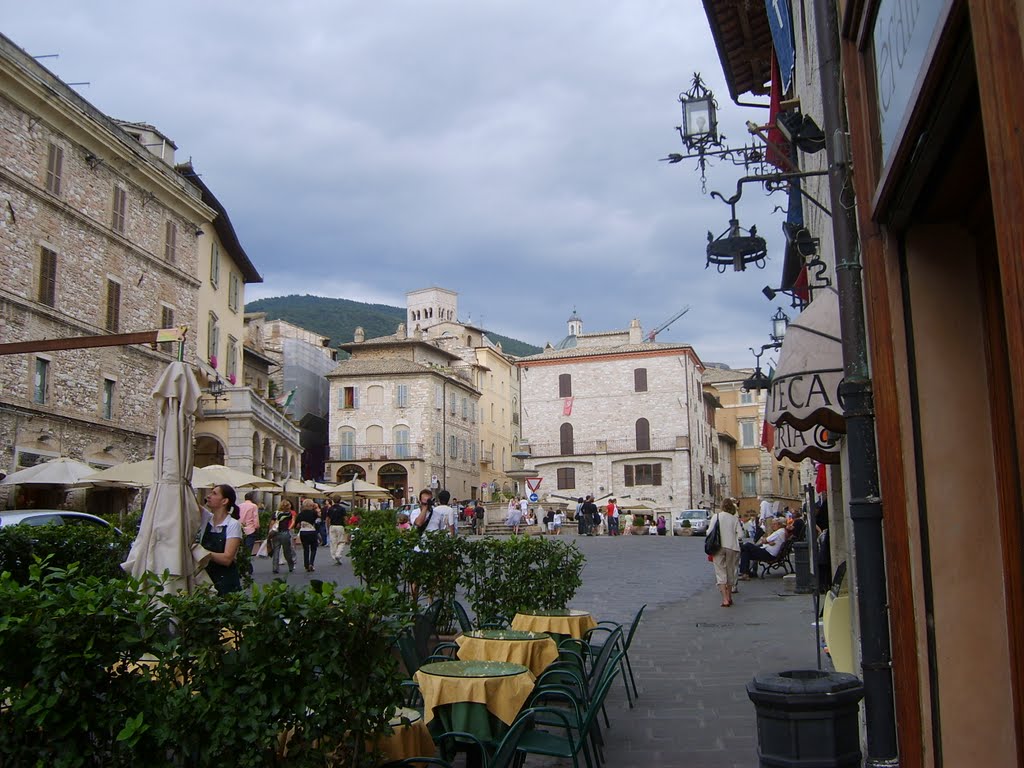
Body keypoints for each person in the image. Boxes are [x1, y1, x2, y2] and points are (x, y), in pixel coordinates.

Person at [200, 484, 243, 595]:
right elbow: (189, 503)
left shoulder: (233, 524)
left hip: (226, 581)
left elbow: (227, 558)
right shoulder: (206, 518)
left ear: (224, 501)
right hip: (206, 579)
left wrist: (200, 552)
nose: (208, 496)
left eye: (214, 493)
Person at [707, 497, 741, 607]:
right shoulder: (734, 518)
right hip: (732, 547)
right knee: (730, 571)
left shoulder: (716, 517)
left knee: (720, 572)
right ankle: (730, 595)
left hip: (718, 547)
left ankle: (725, 599)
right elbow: (740, 535)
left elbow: (709, 532)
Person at [271, 500, 296, 574]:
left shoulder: (275, 513)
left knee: (276, 550)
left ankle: (275, 568)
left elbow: (272, 523)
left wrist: (270, 532)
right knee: (287, 551)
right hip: (285, 533)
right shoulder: (289, 514)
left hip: (275, 533)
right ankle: (291, 566)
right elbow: (292, 521)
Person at [296, 499, 321, 573]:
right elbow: (318, 519)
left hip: (303, 532)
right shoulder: (314, 513)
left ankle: (306, 565)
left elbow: (297, 525)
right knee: (313, 548)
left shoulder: (300, 514)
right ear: (311, 505)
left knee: (306, 549)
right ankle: (311, 563)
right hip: (312, 532)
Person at [325, 499, 348, 564]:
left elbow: (327, 519)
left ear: (333, 501)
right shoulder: (342, 508)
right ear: (340, 500)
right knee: (341, 541)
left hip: (332, 526)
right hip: (340, 526)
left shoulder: (330, 508)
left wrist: (328, 526)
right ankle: (338, 554)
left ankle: (334, 556)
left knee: (333, 542)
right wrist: (346, 526)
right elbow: (345, 518)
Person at [237, 491, 259, 555]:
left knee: (241, 548)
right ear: (252, 498)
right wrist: (257, 527)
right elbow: (255, 518)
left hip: (241, 529)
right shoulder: (254, 506)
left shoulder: (239, 506)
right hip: (250, 529)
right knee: (248, 550)